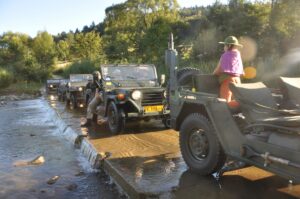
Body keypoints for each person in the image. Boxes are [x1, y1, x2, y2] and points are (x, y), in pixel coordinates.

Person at [213, 36, 244, 108]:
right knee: (235, 99)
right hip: (237, 80)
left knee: (225, 104)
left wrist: (213, 74)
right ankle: (243, 103)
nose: (224, 47)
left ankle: (245, 103)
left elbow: (219, 69)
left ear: (229, 45)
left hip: (228, 81)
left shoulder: (225, 55)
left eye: (225, 45)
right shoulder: (237, 54)